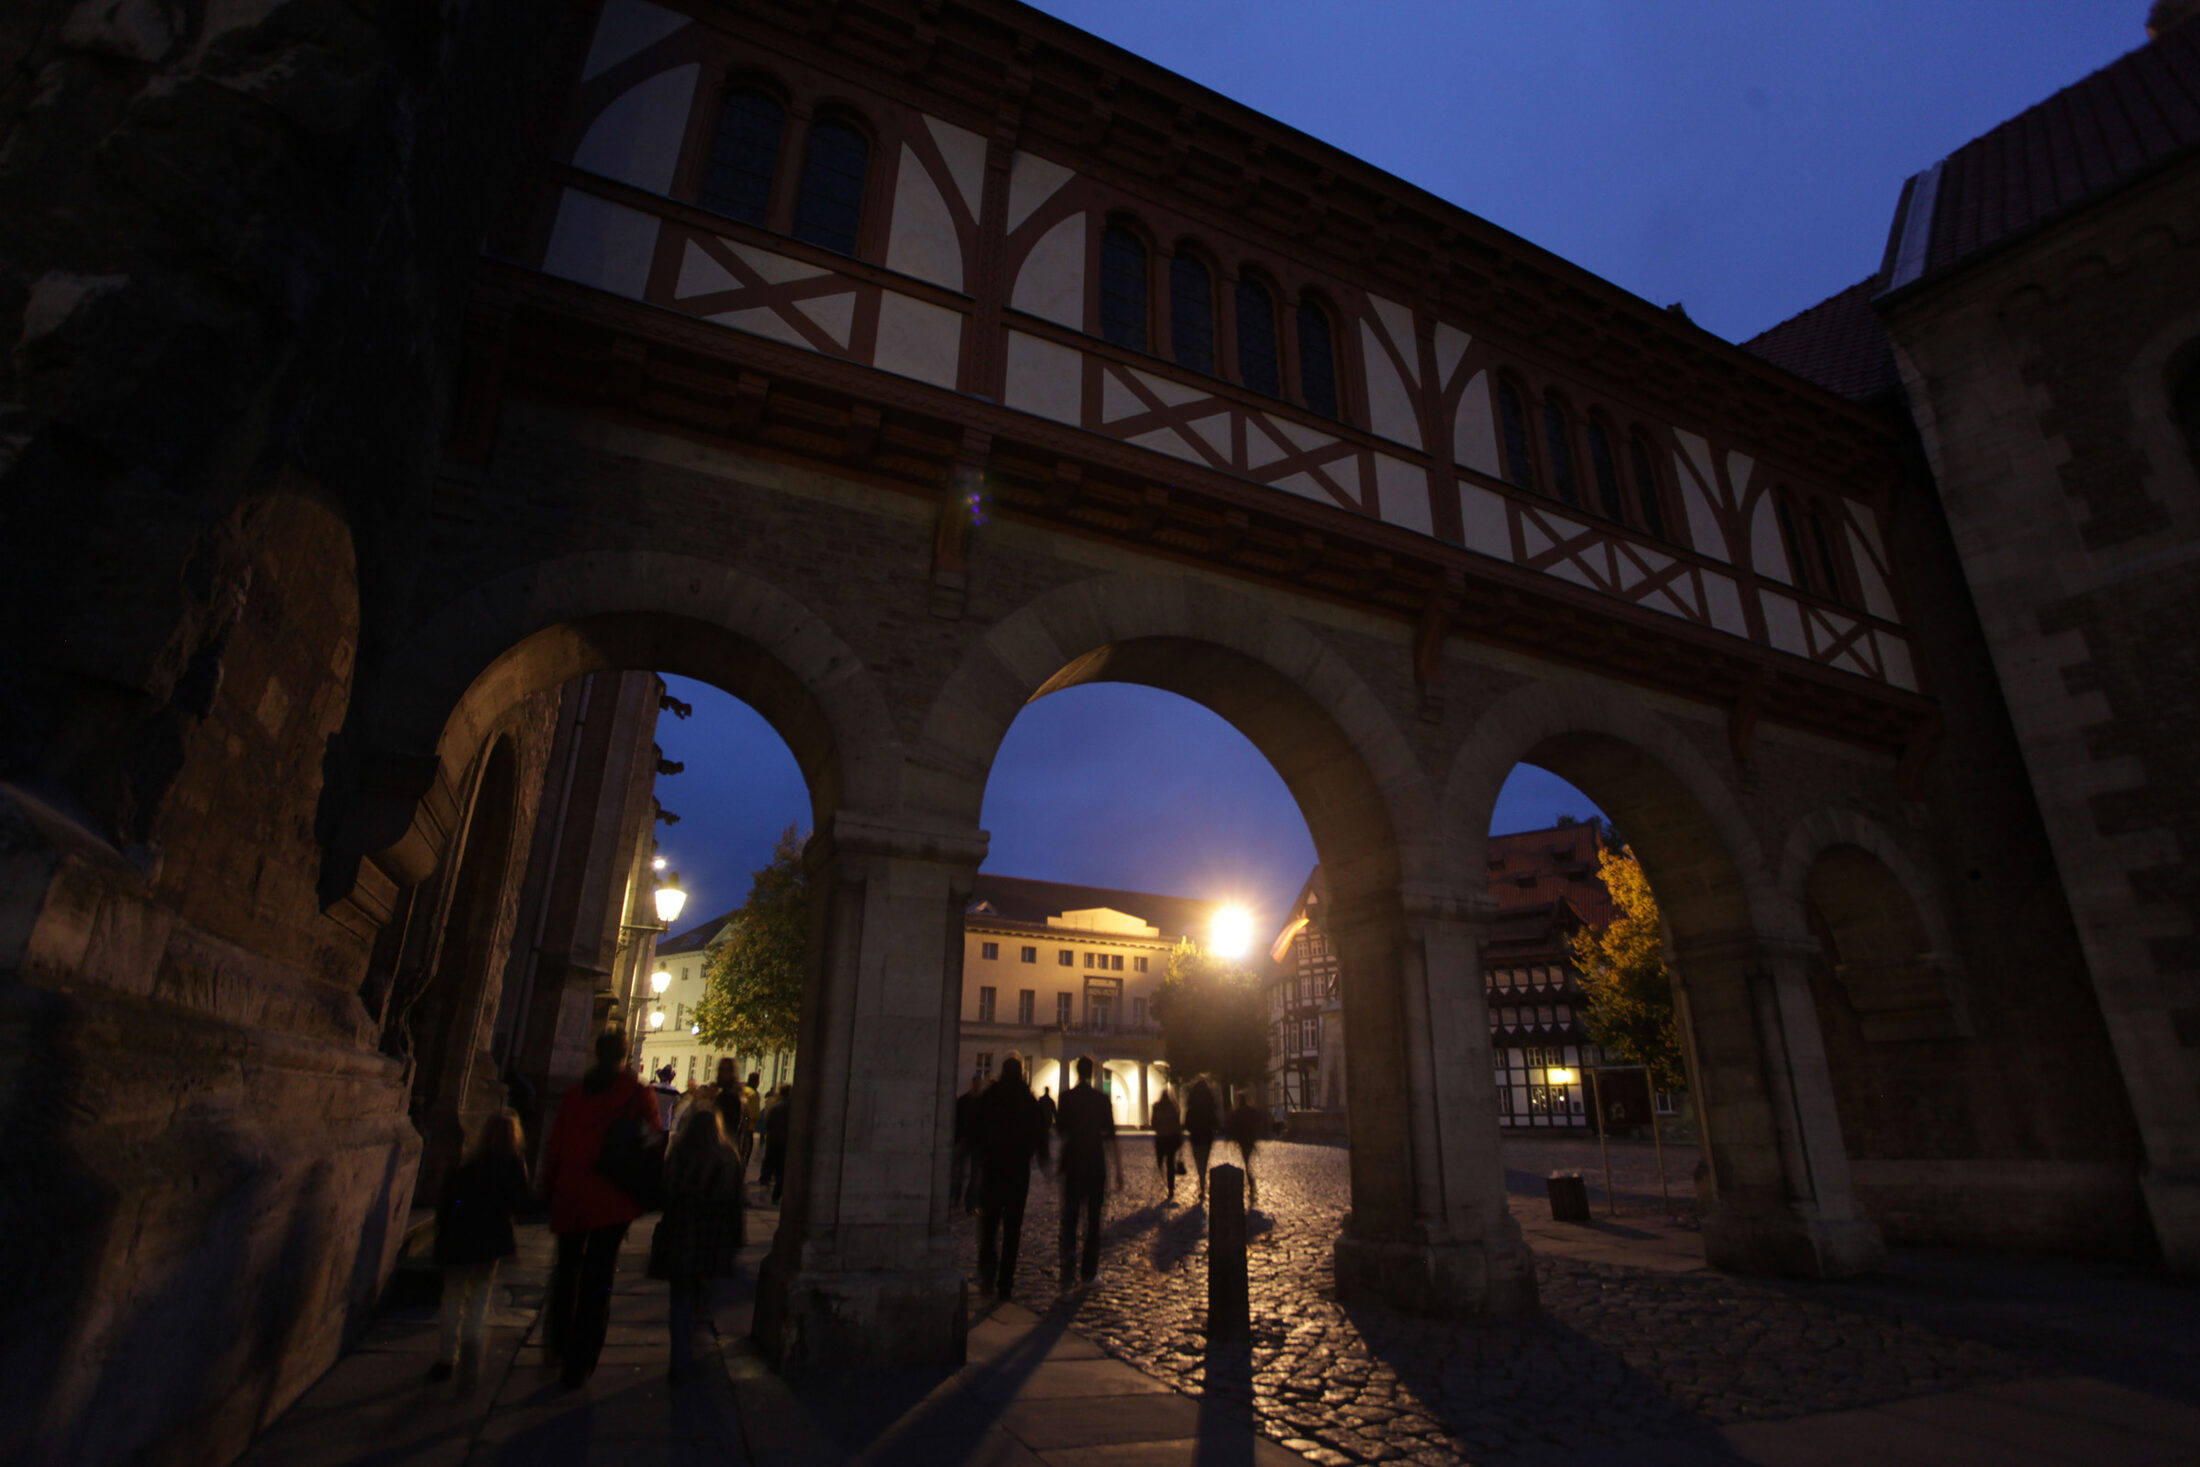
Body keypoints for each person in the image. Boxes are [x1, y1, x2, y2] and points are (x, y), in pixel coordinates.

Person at [540, 1030, 661, 1388]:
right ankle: (582, 1359)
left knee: (566, 1272)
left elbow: (557, 1143)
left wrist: (550, 1188)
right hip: (612, 1197)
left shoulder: (576, 1092)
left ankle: (559, 1342)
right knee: (598, 1278)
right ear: (624, 1055)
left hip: (572, 1193)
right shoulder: (638, 1094)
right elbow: (652, 1138)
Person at [431, 1111, 533, 1391]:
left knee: (452, 1296)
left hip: (460, 1240)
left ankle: (444, 1357)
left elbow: (448, 1202)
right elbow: (521, 1203)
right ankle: (472, 1346)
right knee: (479, 1298)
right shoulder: (512, 1165)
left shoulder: (470, 1163)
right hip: (490, 1242)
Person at [647, 1107, 745, 1385]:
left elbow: (665, 1193)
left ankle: (679, 1359)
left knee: (679, 1299)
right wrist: (736, 1239)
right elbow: (735, 1205)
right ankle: (698, 1345)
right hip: (712, 1238)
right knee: (702, 1295)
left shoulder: (679, 1156)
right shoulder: (728, 1159)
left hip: (681, 1234)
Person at [972, 1056, 1048, 1300]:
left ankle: (987, 1273)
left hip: (993, 1168)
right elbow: (1040, 1134)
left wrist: (978, 1160)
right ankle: (1006, 1282)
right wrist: (1044, 1160)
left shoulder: (990, 1097)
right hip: (1018, 1171)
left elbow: (978, 1130)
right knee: (1013, 1229)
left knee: (990, 1225)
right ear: (1022, 1073)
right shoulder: (1028, 1100)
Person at [1054, 1056, 1119, 1291]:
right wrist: (1119, 1169)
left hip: (1072, 1164)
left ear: (1077, 1072)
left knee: (1069, 1219)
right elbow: (1111, 1136)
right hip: (1095, 1165)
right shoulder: (1101, 1100)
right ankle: (1089, 1273)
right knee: (1092, 1223)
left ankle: (1069, 1264)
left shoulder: (1066, 1098)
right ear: (1092, 1073)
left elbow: (1060, 1129)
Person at [1183, 1074, 1220, 1206]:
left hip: (1196, 1137)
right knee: (1204, 1159)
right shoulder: (1209, 1102)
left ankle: (1202, 1182)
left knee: (1199, 1161)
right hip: (1207, 1136)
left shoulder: (1192, 1103)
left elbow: (1186, 1123)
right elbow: (1215, 1121)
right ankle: (1203, 1182)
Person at [951, 1073, 984, 1215]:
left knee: (975, 1174)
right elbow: (957, 1120)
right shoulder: (964, 1100)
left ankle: (969, 1202)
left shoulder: (982, 1101)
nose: (977, 1085)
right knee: (959, 1172)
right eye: (975, 1083)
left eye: (978, 1083)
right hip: (964, 1139)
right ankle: (956, 1197)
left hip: (976, 1141)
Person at [1227, 1090, 1265, 1209]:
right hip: (1250, 1139)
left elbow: (1232, 1126)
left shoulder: (1237, 1112)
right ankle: (1250, 1183)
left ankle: (1250, 1182)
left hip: (1243, 1140)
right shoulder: (1251, 1111)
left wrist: (1232, 1138)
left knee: (1246, 1162)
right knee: (1247, 1161)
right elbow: (1260, 1120)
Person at [757, 1084, 792, 1204]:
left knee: (769, 1165)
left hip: (773, 1141)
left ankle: (764, 1187)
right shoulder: (794, 1109)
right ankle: (776, 1196)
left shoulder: (775, 1107)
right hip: (786, 1143)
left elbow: (768, 1125)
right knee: (781, 1171)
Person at [1149, 1086, 1184, 1202]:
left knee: (1160, 1161)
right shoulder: (1174, 1108)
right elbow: (1178, 1125)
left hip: (1161, 1138)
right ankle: (1170, 1187)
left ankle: (1161, 1180)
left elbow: (1153, 1123)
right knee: (1170, 1163)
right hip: (1172, 1138)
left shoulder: (1157, 1107)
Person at [649, 1064, 683, 1130]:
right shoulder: (674, 1092)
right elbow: (677, 1105)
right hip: (665, 1124)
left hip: (651, 1122)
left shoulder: (652, 1087)